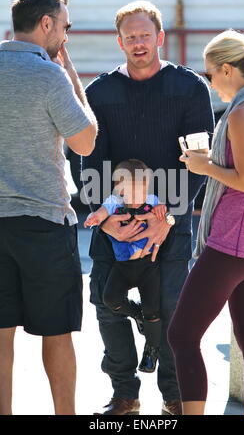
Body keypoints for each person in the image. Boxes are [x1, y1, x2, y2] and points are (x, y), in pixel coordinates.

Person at [82, 0, 214, 415]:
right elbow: (88, 162)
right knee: (107, 308)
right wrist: (108, 224)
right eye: (130, 37)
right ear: (119, 42)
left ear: (159, 38)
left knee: (174, 313)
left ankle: (174, 398)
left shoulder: (190, 88)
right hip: (114, 220)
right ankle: (125, 394)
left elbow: (199, 161)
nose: (138, 43)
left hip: (169, 222)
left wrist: (168, 218)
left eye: (145, 35)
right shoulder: (100, 93)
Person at [0, 0, 98, 415]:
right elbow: (86, 142)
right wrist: (71, 76)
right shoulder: (49, 74)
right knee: (56, 332)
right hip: (43, 222)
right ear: (46, 23)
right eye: (64, 28)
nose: (65, 38)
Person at [168, 29, 244, 415]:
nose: (210, 82)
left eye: (210, 74)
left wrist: (205, 166)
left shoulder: (242, 113)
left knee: (182, 335)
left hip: (232, 245)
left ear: (228, 70)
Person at [85, 159, 167, 374]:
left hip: (148, 265)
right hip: (122, 265)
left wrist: (162, 213)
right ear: (120, 189)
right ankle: (136, 313)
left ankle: (152, 350)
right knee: (110, 299)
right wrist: (95, 218)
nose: (139, 196)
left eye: (142, 189)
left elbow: (164, 214)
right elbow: (102, 213)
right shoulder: (114, 202)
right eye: (132, 191)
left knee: (153, 309)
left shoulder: (151, 200)